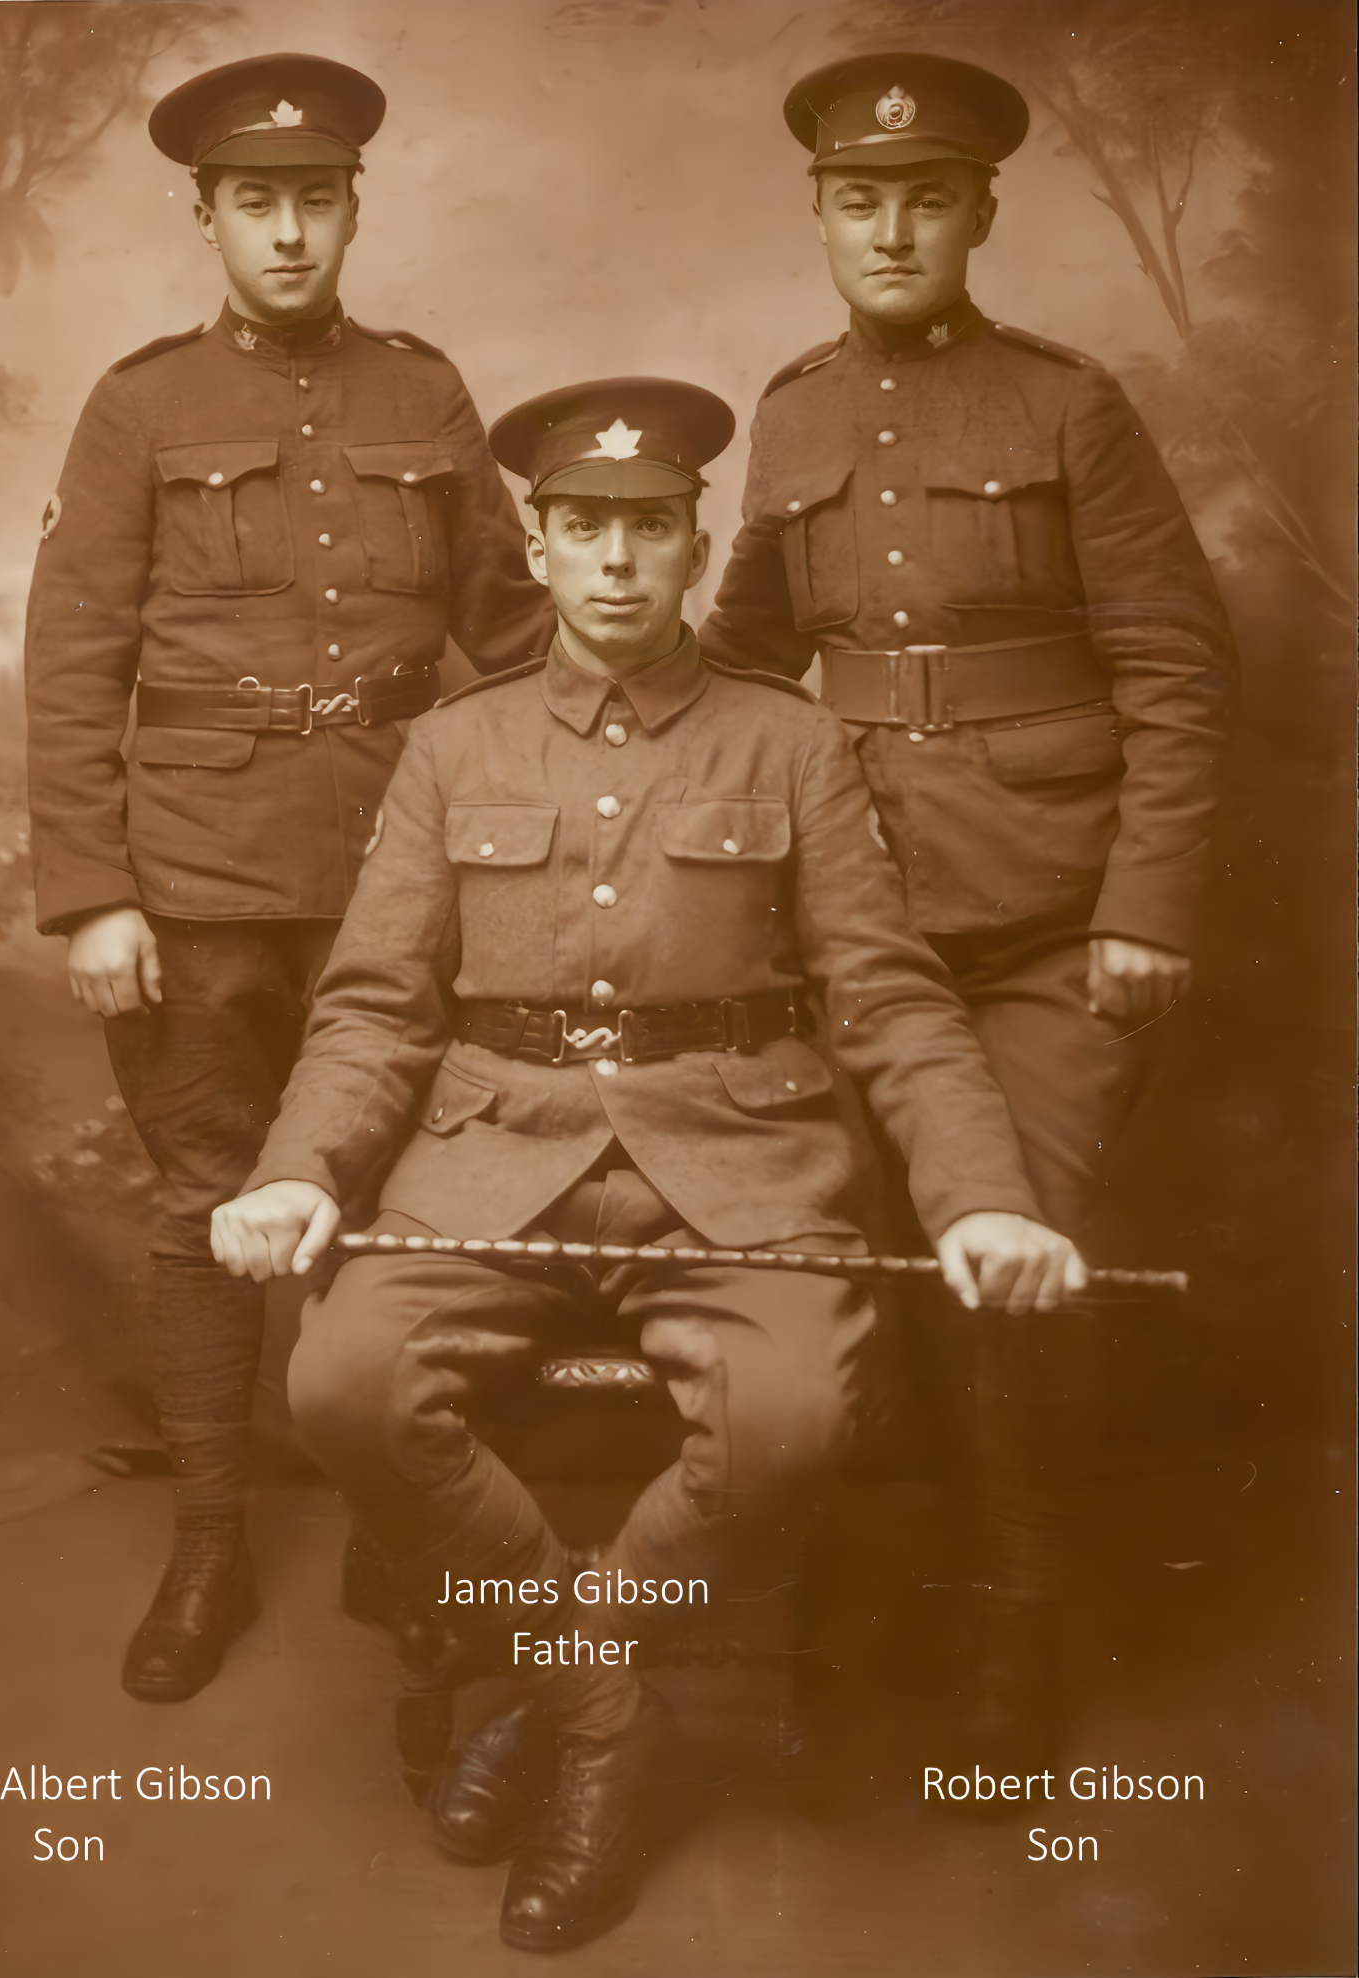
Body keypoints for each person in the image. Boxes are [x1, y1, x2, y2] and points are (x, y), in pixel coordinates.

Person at [211, 377, 1087, 1951]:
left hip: (739, 1159)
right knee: (341, 1379)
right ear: (538, 546)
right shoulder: (453, 747)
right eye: (584, 526)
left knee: (795, 1415)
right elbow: (374, 1008)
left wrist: (983, 1199)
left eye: (651, 528)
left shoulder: (794, 741)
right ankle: (608, 1711)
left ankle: (561, 1684)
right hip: (490, 1158)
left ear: (696, 543)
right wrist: (300, 1173)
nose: (617, 560)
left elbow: (894, 999)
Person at [698, 52, 1237, 1766]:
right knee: (838, 1260)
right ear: (820, 216)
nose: (891, 231)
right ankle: (864, 1601)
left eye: (924, 200)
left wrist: (1148, 910)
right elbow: (740, 662)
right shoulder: (790, 414)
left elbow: (1177, 669)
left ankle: (1016, 1628)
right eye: (860, 201)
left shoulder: (1069, 406)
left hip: (1055, 928)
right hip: (855, 932)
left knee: (1006, 1255)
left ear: (980, 214)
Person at [23, 52, 553, 1704]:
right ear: (207, 217)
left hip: (404, 872)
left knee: (401, 1218)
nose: (287, 230)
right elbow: (72, 657)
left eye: (314, 198)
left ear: (351, 209)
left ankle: (404, 1539)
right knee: (206, 1203)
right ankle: (208, 1541)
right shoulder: (140, 407)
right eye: (256, 201)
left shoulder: (426, 395)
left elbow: (515, 635)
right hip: (190, 878)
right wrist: (92, 891)